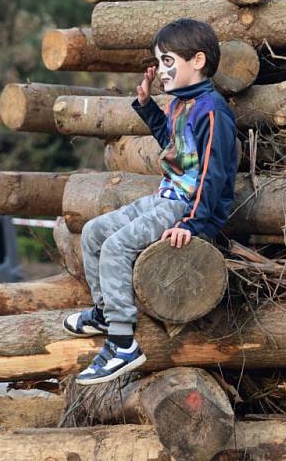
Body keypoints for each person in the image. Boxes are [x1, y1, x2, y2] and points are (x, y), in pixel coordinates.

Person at [63, 19, 238, 385]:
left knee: (116, 247)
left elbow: (212, 174)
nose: (161, 71)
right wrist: (147, 106)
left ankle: (123, 343)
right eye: (159, 62)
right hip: (164, 198)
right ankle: (105, 310)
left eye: (168, 61)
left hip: (183, 208)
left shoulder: (211, 112)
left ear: (198, 61)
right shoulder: (180, 104)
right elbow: (174, 147)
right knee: (95, 232)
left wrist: (193, 224)